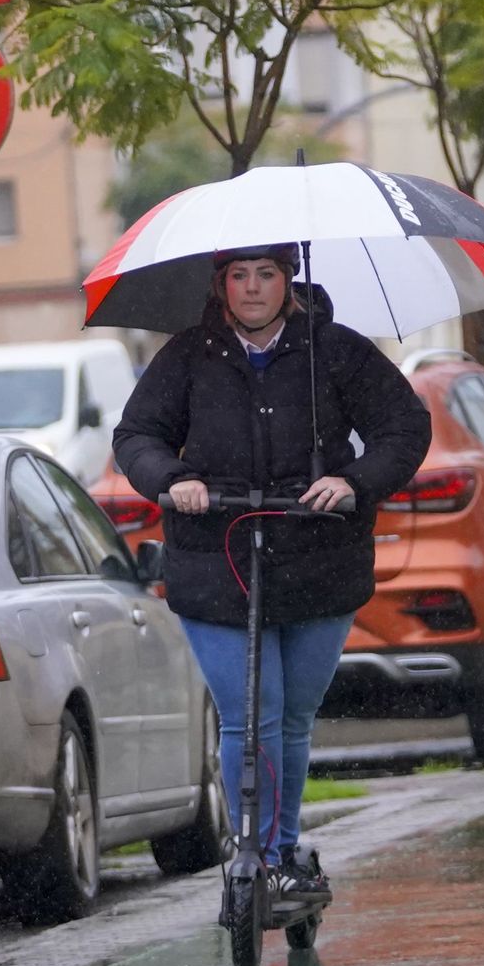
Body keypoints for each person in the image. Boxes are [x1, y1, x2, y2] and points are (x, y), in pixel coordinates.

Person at [113, 243, 431, 903]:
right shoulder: (186, 357)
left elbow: (404, 428)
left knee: (291, 716)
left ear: (289, 281)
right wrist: (174, 481)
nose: (252, 289)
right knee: (247, 713)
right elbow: (136, 435)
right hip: (214, 559)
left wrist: (353, 481)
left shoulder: (337, 351)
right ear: (220, 284)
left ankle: (284, 852)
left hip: (319, 560)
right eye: (239, 276)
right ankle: (251, 853)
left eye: (266, 275)